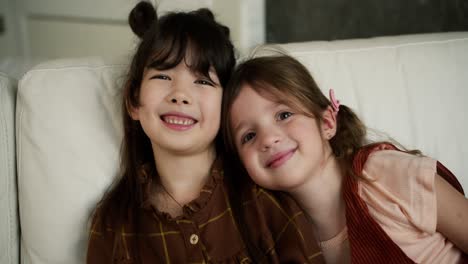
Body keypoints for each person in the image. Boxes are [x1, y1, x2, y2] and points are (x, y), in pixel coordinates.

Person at [87, 3, 325, 263]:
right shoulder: (114, 222)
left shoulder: (263, 198)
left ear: (226, 108)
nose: (180, 94)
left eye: (202, 81)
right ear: (134, 101)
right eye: (163, 76)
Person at [222, 54, 468, 264]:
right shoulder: (277, 235)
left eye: (284, 114)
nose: (267, 139)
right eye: (249, 136)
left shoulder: (386, 174)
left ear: (327, 122)